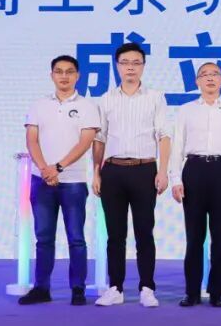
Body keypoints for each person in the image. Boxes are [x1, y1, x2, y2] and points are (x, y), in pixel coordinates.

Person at [91, 43, 171, 307]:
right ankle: (115, 287)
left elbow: (164, 135)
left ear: (143, 66)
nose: (130, 68)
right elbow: (99, 138)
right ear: (117, 66)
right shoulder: (106, 99)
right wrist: (96, 172)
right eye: (125, 62)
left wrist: (163, 171)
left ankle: (147, 288)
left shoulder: (155, 97)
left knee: (144, 232)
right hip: (112, 170)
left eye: (136, 62)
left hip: (144, 169)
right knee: (115, 234)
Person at [19, 55, 100, 306]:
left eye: (69, 71)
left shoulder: (87, 106)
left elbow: (85, 142)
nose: (64, 76)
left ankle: (78, 289)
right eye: (59, 71)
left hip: (73, 182)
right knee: (43, 238)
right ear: (52, 75)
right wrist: (45, 169)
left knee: (76, 238)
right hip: (41, 180)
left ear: (78, 76)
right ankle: (41, 288)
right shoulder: (39, 105)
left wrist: (59, 167)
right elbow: (32, 139)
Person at [169, 63, 221, 307]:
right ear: (197, 81)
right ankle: (192, 292)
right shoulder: (186, 110)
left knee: (220, 237)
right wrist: (175, 179)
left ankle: (217, 292)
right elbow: (177, 146)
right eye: (205, 75)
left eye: (215, 74)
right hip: (194, 170)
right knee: (194, 237)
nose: (210, 79)